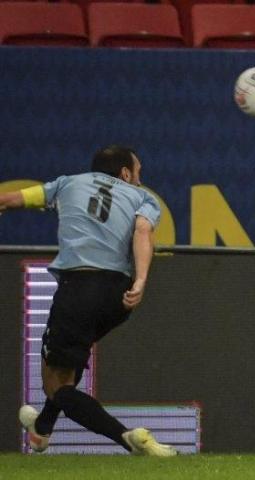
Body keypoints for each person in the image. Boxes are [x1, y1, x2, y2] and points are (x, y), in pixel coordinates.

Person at [0, 145, 176, 456]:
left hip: (80, 287)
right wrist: (141, 280)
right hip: (118, 297)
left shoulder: (68, 183)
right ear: (125, 173)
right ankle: (41, 429)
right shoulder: (143, 198)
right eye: (138, 172)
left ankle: (127, 438)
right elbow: (143, 232)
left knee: (56, 385)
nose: (139, 178)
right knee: (71, 361)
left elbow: (12, 199)